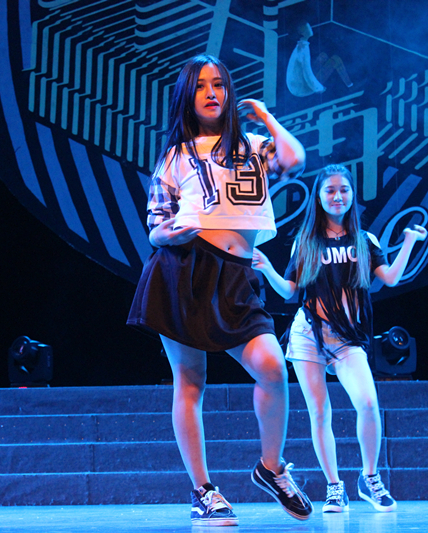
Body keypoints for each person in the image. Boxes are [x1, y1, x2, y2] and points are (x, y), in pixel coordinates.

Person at [127, 54, 313, 526]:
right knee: (190, 381)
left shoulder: (252, 146)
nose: (211, 93)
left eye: (219, 84)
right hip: (184, 269)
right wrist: (172, 234)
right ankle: (203, 491)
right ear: (186, 97)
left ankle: (271, 468)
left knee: (272, 367)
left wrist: (266, 116)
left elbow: (294, 159)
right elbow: (155, 227)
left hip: (236, 275)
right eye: (201, 86)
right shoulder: (176, 156)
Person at [252, 164, 427, 514]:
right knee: (320, 413)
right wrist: (267, 268)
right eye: (330, 190)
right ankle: (334, 487)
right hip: (309, 334)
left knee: (368, 403)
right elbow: (289, 290)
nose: (337, 196)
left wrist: (409, 241)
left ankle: (370, 478)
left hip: (348, 338)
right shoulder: (306, 241)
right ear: (318, 197)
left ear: (351, 194)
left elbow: (390, 278)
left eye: (344, 190)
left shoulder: (365, 241)